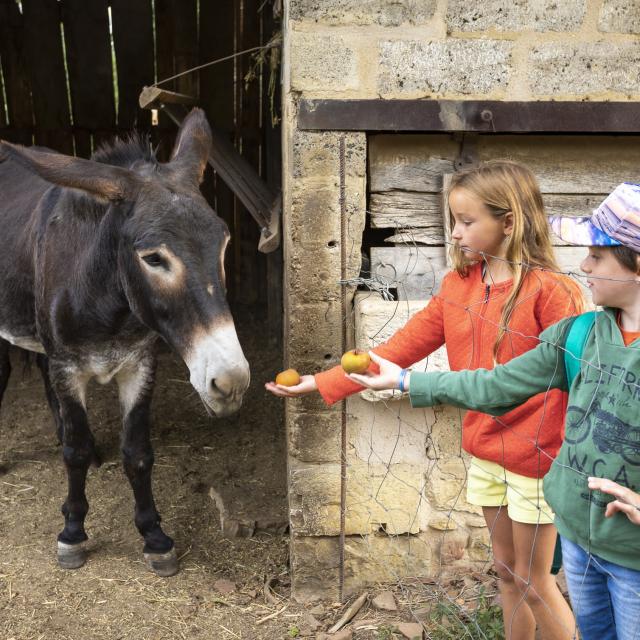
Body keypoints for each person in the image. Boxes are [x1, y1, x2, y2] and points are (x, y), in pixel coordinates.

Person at [267, 160, 583, 640]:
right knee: (504, 572)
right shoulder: (458, 286)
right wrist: (322, 381)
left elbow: (569, 379)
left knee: (535, 579)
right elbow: (398, 349)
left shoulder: (553, 291)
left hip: (539, 457)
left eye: (466, 221)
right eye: (453, 219)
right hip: (485, 449)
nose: (454, 232)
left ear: (510, 221)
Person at [347, 183, 640, 640]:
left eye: (596, 256)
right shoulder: (583, 333)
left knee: (540, 584)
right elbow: (496, 384)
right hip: (582, 533)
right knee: (544, 597)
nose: (583, 265)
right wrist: (391, 380)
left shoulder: (556, 295)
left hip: (616, 536)